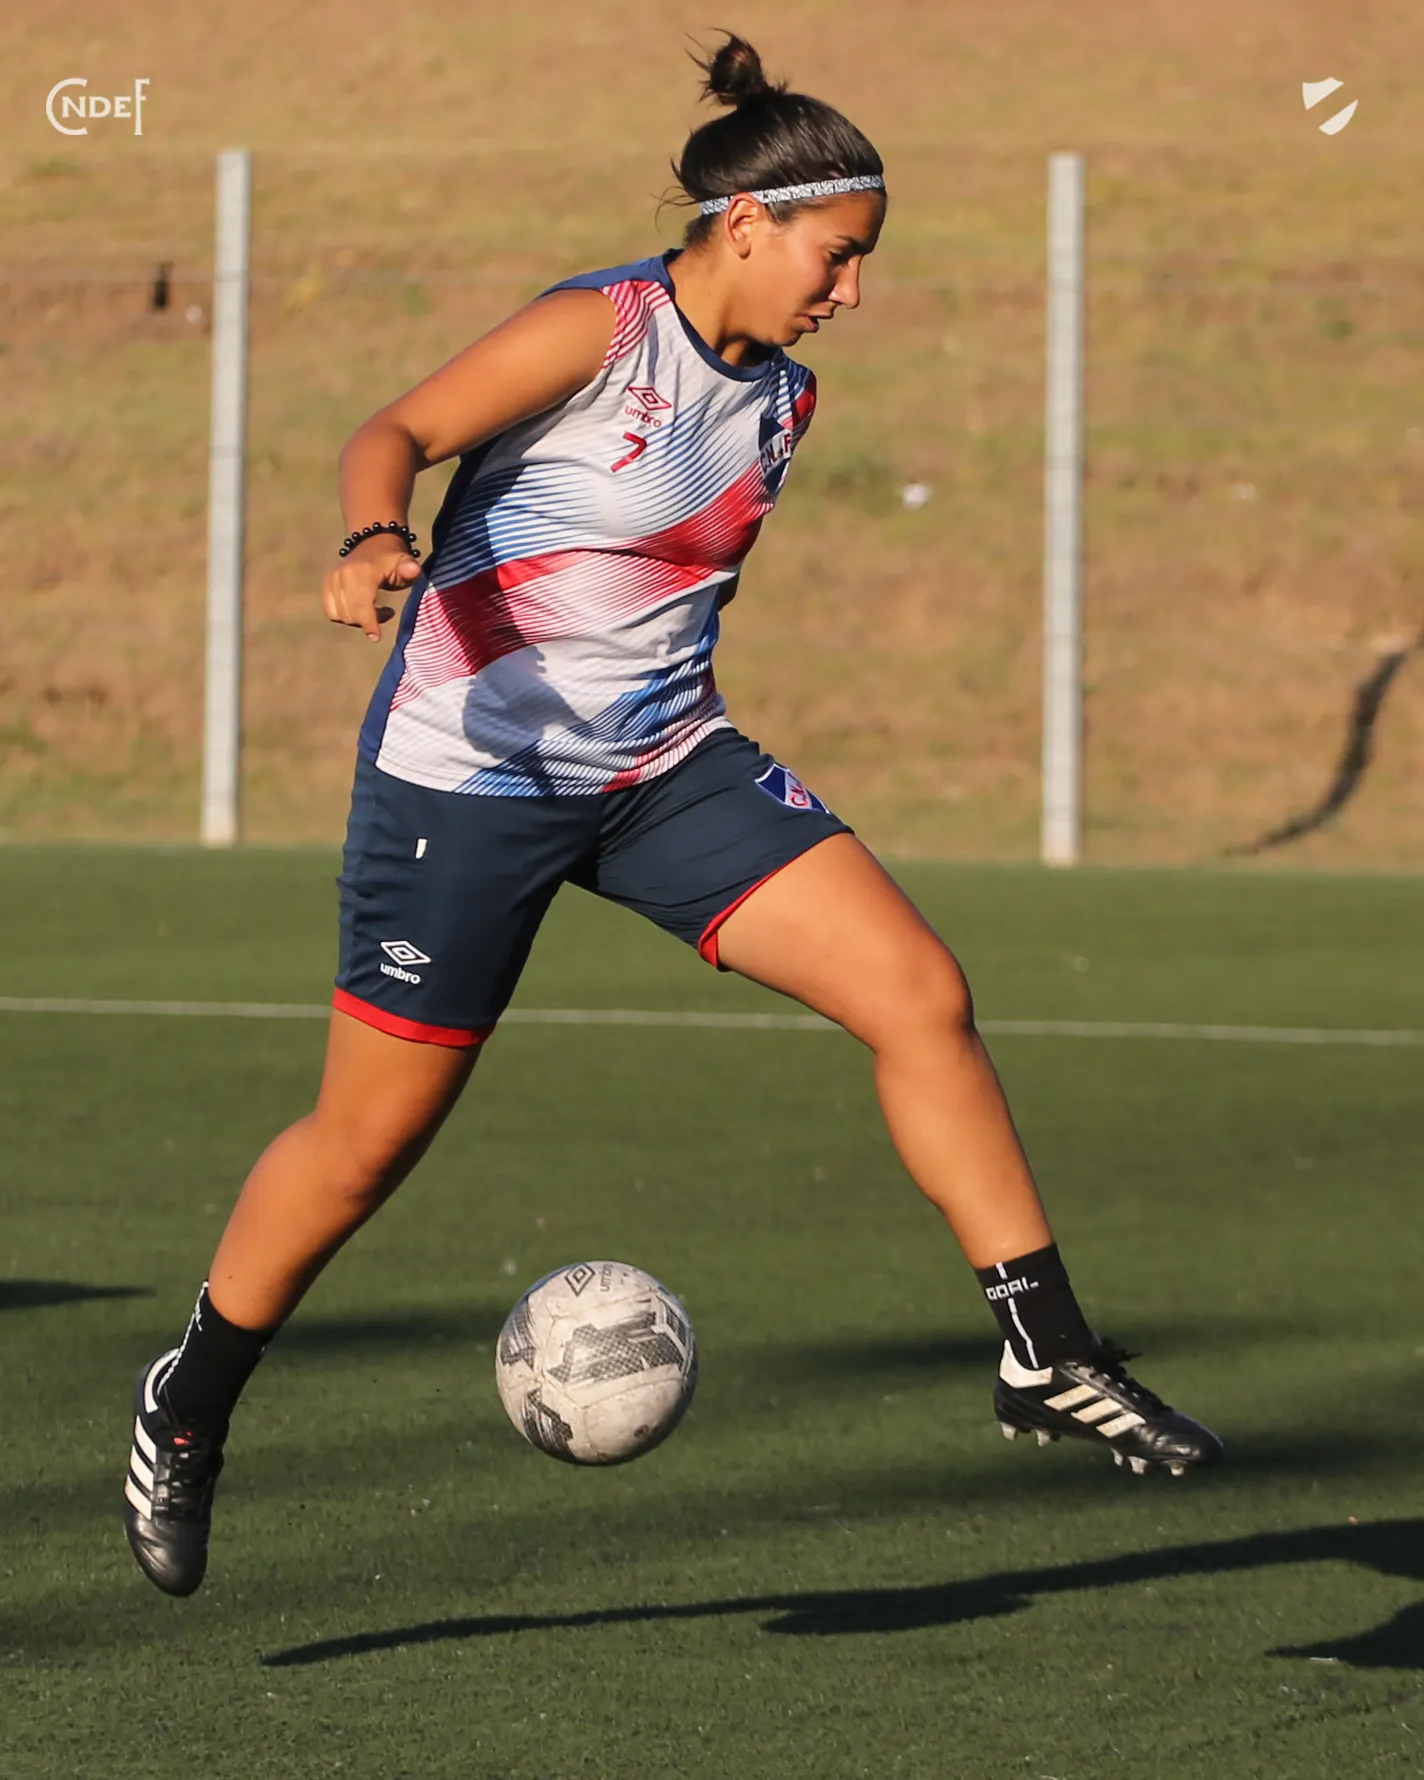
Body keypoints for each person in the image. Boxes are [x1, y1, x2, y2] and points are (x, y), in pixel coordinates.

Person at [123, 34, 1221, 1598]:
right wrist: (374, 535)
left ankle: (1045, 1351)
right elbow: (395, 431)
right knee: (366, 1146)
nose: (851, 293)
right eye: (839, 256)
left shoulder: (783, 399)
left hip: (662, 770)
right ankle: (192, 1399)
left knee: (920, 993)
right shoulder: (601, 328)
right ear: (749, 223)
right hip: (472, 783)